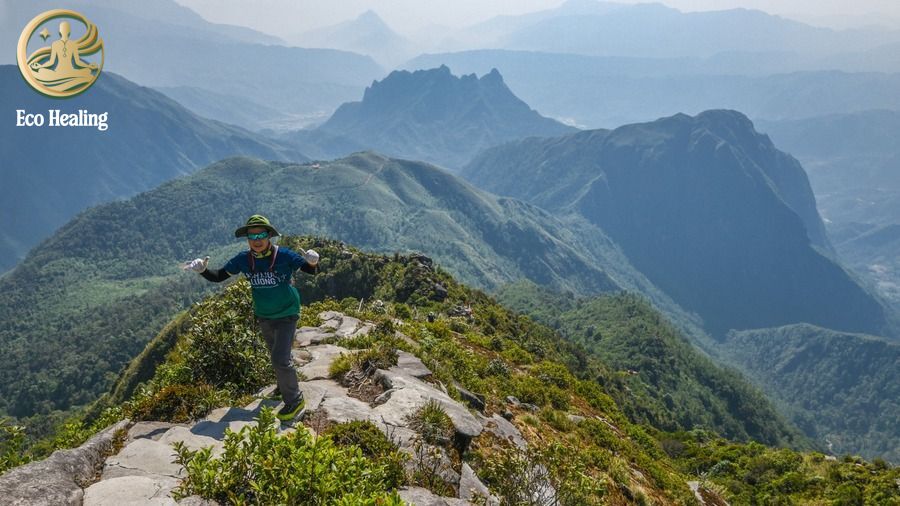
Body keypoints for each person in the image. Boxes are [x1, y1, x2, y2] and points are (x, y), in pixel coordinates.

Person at [184, 215, 319, 421]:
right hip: (264, 314)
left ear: (269, 236)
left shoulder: (284, 255)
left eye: (261, 234)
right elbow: (219, 276)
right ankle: (284, 387)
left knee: (280, 359)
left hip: (287, 313)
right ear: (247, 239)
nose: (257, 239)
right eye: (252, 235)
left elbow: (310, 271)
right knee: (276, 355)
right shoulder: (243, 260)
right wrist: (203, 271)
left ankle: (294, 399)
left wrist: (312, 262)